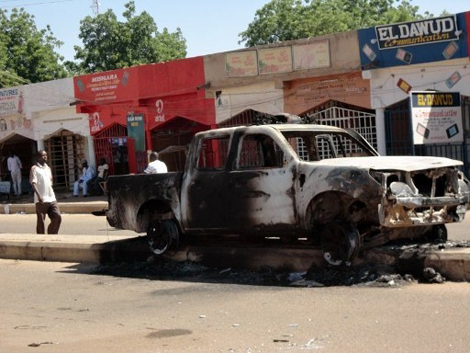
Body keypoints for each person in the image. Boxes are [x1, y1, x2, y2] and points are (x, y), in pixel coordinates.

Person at [29, 150, 61, 234]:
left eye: (46, 155)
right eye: (43, 155)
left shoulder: (48, 168)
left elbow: (51, 182)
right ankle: (41, 239)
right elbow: (33, 183)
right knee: (41, 221)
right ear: (38, 157)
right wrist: (39, 196)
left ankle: (52, 234)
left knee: (57, 216)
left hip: (51, 198)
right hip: (41, 199)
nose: (45, 157)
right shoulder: (34, 168)